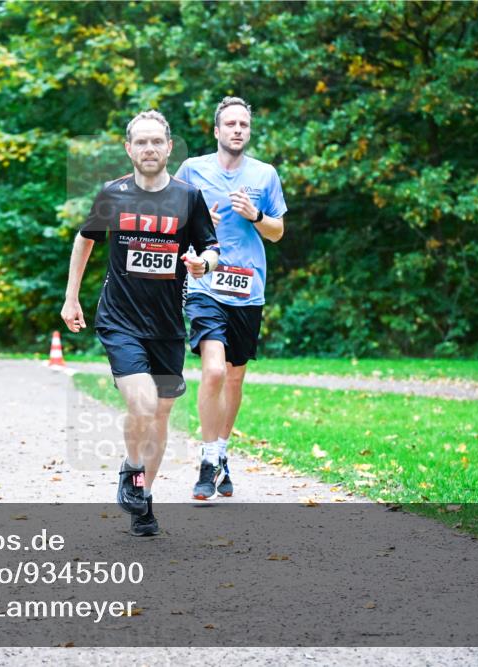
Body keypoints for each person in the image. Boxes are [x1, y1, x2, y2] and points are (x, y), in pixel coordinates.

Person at [61, 110, 219, 537]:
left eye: (157, 141)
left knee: (160, 415)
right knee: (144, 405)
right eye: (142, 142)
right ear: (129, 149)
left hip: (167, 325)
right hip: (120, 320)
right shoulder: (112, 194)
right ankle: (131, 470)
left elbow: (211, 247)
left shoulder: (188, 197)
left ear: (169, 147)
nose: (150, 148)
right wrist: (71, 297)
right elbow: (85, 239)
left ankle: (143, 499)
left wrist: (203, 264)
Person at [175, 97, 287, 500]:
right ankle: (207, 460)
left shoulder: (264, 174)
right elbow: (170, 221)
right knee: (215, 372)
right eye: (231, 124)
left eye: (244, 124)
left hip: (248, 288)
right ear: (216, 131)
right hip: (205, 283)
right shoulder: (193, 170)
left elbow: (277, 232)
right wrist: (198, 222)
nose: (238, 129)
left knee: (235, 375)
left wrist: (256, 215)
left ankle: (221, 452)